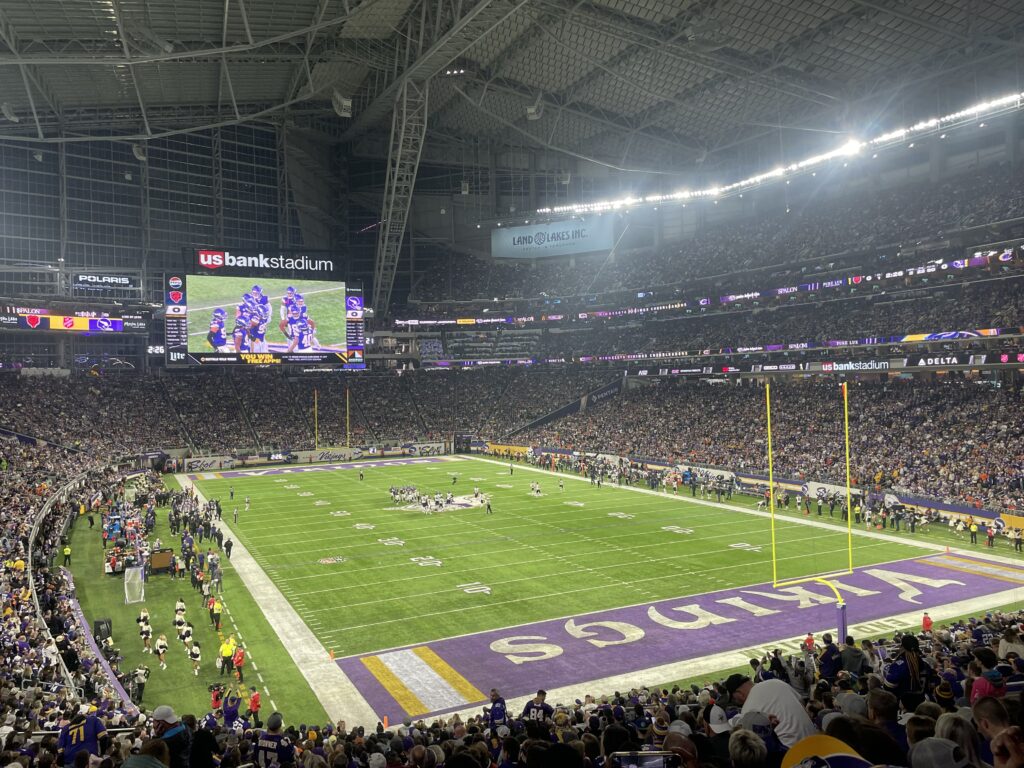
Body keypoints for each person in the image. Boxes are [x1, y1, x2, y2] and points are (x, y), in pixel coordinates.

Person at [725, 673, 816, 748]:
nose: (737, 702)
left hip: (790, 752)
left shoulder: (748, 711)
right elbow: (802, 704)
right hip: (815, 739)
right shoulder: (776, 682)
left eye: (734, 699)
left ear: (739, 693)